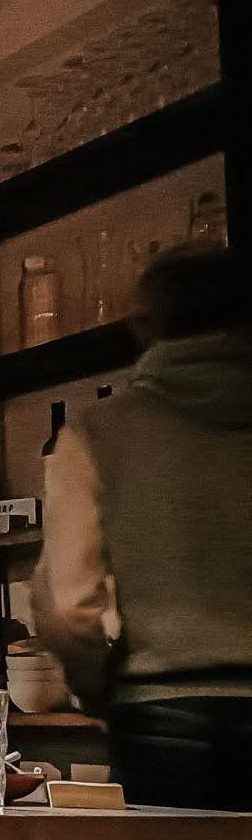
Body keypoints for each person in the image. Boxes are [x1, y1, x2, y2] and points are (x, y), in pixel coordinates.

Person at [32, 244, 252, 809]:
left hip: (165, 711)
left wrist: (96, 688)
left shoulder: (101, 432)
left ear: (144, 325)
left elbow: (67, 604)